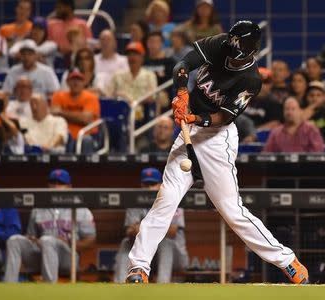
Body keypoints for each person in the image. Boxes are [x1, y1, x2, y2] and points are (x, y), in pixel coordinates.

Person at [125, 20, 309, 284]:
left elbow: (224, 116)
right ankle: (138, 268)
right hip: (189, 131)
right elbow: (182, 65)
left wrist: (195, 118)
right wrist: (180, 92)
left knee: (231, 210)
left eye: (237, 56)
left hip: (216, 139)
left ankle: (287, 260)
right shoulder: (221, 43)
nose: (230, 58)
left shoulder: (251, 79)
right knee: (165, 198)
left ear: (250, 52)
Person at [4, 169, 96, 283]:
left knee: (47, 240)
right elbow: (31, 235)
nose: (56, 186)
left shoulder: (81, 210)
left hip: (68, 258)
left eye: (60, 183)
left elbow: (91, 241)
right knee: (14, 240)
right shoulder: (38, 209)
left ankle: (49, 287)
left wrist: (68, 242)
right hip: (41, 255)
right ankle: (9, 284)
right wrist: (33, 239)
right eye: (53, 183)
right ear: (48, 185)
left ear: (69, 187)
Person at [114, 167, 188, 283]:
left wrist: (143, 229)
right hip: (144, 258)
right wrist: (157, 228)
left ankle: (162, 286)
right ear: (141, 185)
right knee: (126, 243)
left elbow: (172, 232)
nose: (149, 188)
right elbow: (130, 231)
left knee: (165, 242)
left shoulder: (173, 198)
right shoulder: (134, 200)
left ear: (161, 185)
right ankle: (120, 284)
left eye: (153, 184)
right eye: (146, 184)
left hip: (175, 257)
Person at [102, 41, 157, 125]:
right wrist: (118, 96)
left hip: (140, 113)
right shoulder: (118, 75)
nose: (132, 57)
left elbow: (152, 96)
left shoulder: (149, 75)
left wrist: (133, 101)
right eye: (129, 54)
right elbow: (108, 94)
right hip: (119, 113)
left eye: (135, 54)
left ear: (142, 57)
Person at [51, 68, 100, 153]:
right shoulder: (58, 96)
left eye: (79, 80)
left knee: (86, 140)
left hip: (84, 135)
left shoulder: (91, 98)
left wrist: (61, 113)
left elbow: (85, 119)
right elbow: (54, 115)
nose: (76, 83)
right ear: (67, 82)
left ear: (84, 82)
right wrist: (78, 116)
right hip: (63, 134)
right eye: (73, 80)